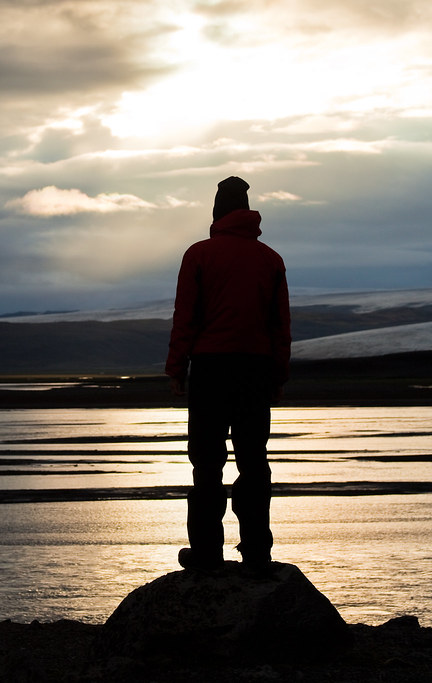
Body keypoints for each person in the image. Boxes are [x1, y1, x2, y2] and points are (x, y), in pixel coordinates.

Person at [165, 176, 291, 572]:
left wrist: (176, 367)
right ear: (247, 210)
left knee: (207, 464)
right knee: (253, 462)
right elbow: (280, 325)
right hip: (255, 369)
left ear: (218, 210)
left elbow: (185, 318)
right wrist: (278, 377)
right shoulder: (270, 259)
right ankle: (256, 552)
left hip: (210, 368)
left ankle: (206, 553)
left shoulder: (199, 254)